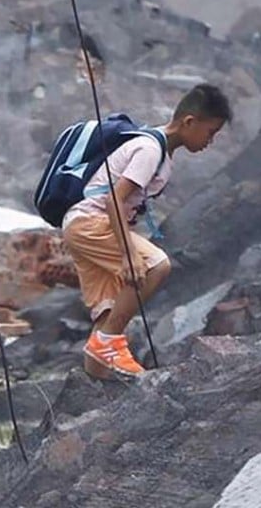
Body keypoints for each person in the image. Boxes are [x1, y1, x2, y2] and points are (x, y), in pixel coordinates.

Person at [63, 84, 231, 378]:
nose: (210, 141)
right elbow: (113, 199)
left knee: (107, 312)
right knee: (156, 266)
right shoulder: (149, 149)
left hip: (81, 225)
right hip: (92, 223)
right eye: (210, 132)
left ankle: (93, 388)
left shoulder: (157, 150)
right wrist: (129, 255)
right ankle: (109, 343)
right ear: (189, 122)